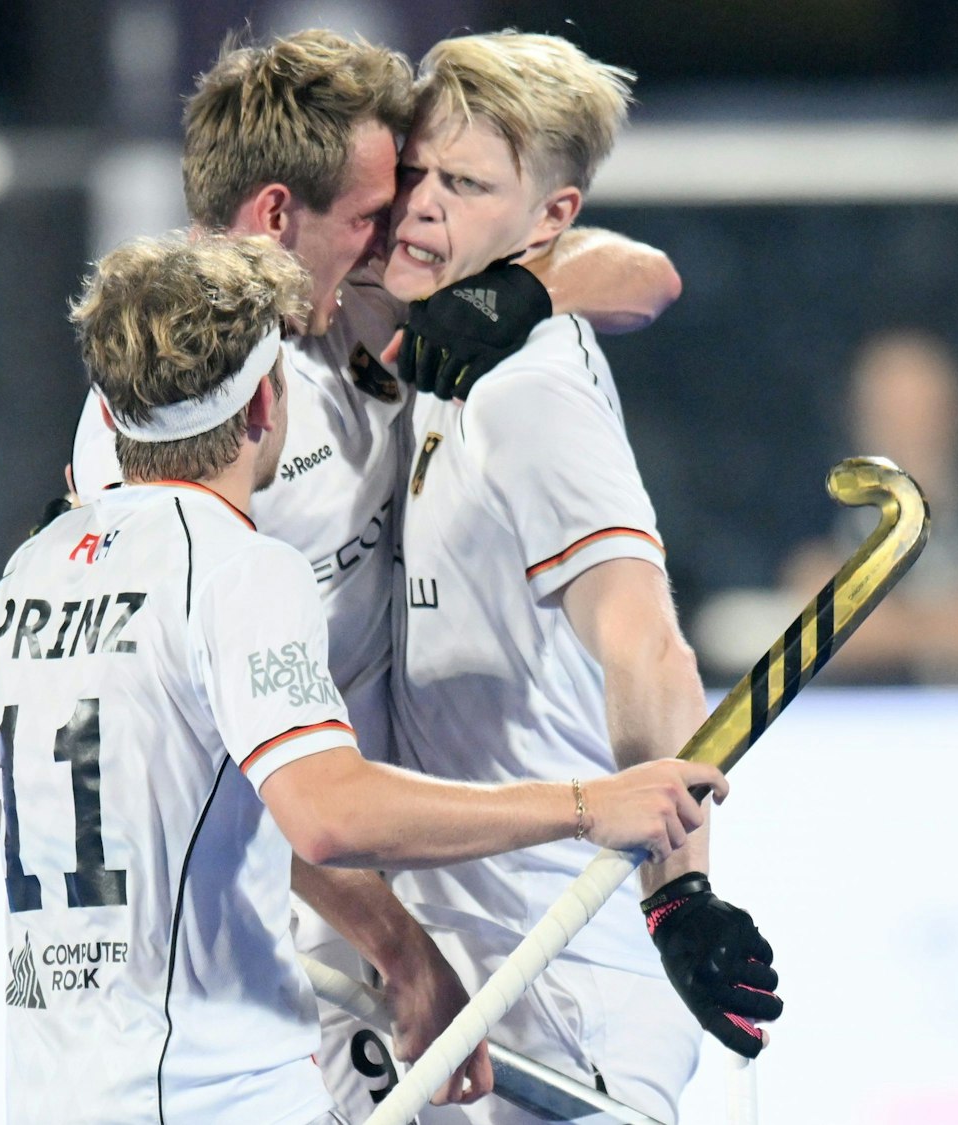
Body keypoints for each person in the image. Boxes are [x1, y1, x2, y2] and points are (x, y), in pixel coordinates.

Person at [0, 234, 727, 1125]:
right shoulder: (241, 570)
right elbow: (328, 815)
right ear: (264, 403)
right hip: (211, 1099)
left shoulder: (37, 568)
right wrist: (589, 804)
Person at [48, 30, 685, 1117]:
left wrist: (524, 294)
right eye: (374, 212)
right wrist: (400, 951)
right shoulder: (173, 432)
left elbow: (643, 272)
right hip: (309, 917)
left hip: (450, 900)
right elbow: (231, 768)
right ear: (275, 219)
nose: (404, 229)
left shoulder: (351, 294)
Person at [379, 32, 783, 1123]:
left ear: (546, 217)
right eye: (414, 172)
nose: (420, 206)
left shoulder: (526, 386)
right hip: (474, 958)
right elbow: (635, 272)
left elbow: (645, 642)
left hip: (563, 967)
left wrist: (679, 894)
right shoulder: (429, 349)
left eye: (463, 185)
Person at [779, 329, 958, 681]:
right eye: (893, 413)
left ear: (956, 415)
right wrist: (954, 628)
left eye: (923, 411)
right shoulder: (811, 510)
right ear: (859, 417)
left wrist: (889, 626)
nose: (910, 429)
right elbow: (832, 626)